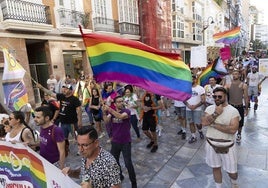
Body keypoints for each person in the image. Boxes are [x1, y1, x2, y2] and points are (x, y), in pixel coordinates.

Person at [201, 87, 240, 188]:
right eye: (215, 96)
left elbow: (233, 130)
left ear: (225, 96)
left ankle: (234, 183)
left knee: (232, 172)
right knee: (215, 167)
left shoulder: (233, 111)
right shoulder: (209, 109)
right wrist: (216, 113)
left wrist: (213, 124)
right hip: (211, 144)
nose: (217, 98)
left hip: (228, 145)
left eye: (219, 96)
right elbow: (204, 122)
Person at [37, 83, 82, 154]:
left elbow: (79, 110)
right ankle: (66, 149)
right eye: (63, 88)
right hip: (63, 122)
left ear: (71, 90)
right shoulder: (62, 96)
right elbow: (51, 94)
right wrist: (42, 88)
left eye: (66, 89)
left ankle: (80, 149)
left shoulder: (75, 99)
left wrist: (79, 121)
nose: (64, 90)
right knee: (64, 138)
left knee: (77, 137)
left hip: (72, 123)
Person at [102, 96, 137, 188]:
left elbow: (120, 116)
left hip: (125, 142)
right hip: (115, 142)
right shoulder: (112, 113)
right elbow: (106, 121)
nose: (121, 103)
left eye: (122, 101)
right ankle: (120, 175)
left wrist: (109, 109)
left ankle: (134, 183)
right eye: (118, 101)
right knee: (114, 161)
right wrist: (104, 112)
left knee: (128, 163)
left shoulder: (127, 111)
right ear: (115, 104)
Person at [224, 69, 249, 143]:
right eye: (233, 74)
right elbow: (223, 92)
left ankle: (239, 134)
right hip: (231, 106)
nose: (234, 75)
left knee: (240, 123)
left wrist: (246, 108)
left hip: (239, 106)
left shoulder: (244, 85)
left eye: (236, 74)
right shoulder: (228, 85)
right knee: (229, 121)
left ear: (239, 75)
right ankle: (230, 134)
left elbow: (246, 97)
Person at [185, 75, 206, 144]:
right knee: (191, 123)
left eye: (192, 79)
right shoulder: (186, 88)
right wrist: (188, 105)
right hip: (188, 109)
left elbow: (203, 100)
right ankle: (193, 136)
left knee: (198, 123)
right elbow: (183, 98)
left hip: (197, 109)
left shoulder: (200, 88)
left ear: (195, 80)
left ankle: (200, 131)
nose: (191, 80)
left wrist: (195, 106)